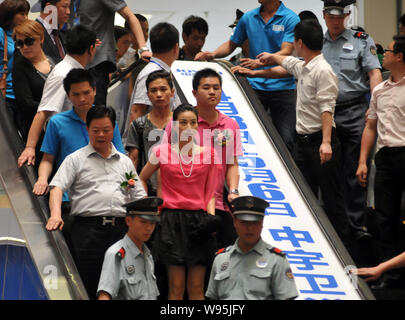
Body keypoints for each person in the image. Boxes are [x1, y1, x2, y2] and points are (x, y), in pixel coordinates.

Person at [232, 19, 351, 246]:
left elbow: (327, 109)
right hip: (303, 143)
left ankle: (343, 250)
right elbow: (285, 62)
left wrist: (325, 143)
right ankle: (311, 242)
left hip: (321, 142)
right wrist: (260, 65)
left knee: (331, 200)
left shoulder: (322, 70)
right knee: (304, 195)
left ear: (299, 42)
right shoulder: (305, 65)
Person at [46, 105, 146, 299]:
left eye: (106, 130)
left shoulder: (124, 162)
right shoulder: (75, 159)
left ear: (113, 128)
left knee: (124, 286)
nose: (101, 135)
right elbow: (57, 187)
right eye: (96, 130)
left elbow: (139, 197)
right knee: (90, 285)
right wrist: (56, 215)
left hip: (121, 231)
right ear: (87, 129)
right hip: (88, 232)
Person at [32, 69, 125, 248]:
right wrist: (42, 179)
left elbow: (121, 160)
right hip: (71, 202)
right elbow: (47, 158)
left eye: (86, 93)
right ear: (68, 95)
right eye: (76, 94)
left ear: (95, 91)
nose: (82, 98)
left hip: (106, 202)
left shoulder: (107, 123)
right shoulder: (57, 123)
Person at [195, 0, 300, 153]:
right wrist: (213, 53)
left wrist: (260, 62)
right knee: (251, 139)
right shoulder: (248, 18)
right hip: (254, 87)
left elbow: (286, 51)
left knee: (286, 140)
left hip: (283, 87)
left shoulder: (290, 18)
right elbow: (231, 44)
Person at [139, 104, 220, 300]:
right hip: (170, 220)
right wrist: (150, 208)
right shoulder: (162, 152)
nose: (189, 127)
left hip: (199, 220)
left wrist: (211, 218)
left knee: (197, 287)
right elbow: (141, 178)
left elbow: (210, 192)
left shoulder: (209, 154)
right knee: (175, 287)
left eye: (193, 122)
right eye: (183, 123)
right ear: (174, 126)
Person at [321, 0, 382, 242]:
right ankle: (332, 225)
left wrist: (374, 105)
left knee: (358, 169)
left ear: (346, 15)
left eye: (341, 16)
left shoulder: (360, 39)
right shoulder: (316, 42)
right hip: (327, 115)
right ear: (324, 15)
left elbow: (374, 72)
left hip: (356, 111)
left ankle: (356, 225)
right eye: (332, 16)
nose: (337, 21)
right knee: (329, 172)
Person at [164, 68, 243, 249]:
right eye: (206, 87)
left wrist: (234, 190)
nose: (212, 92)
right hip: (182, 206)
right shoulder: (178, 124)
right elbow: (164, 161)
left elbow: (232, 164)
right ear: (194, 93)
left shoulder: (230, 125)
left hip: (217, 205)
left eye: (216, 87)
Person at [355, 35, 405, 289]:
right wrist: (363, 161)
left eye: (389, 51)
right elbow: (370, 127)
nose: (383, 53)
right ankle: (389, 276)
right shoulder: (379, 90)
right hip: (385, 158)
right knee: (385, 218)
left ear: (400, 57)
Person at [17, 24, 97, 168]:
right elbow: (43, 112)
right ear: (92, 49)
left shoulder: (70, 69)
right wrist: (29, 148)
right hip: (61, 146)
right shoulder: (63, 73)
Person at [206, 195, 299, 300]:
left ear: (262, 223)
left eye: (255, 222)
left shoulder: (276, 260)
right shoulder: (220, 259)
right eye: (244, 222)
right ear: (235, 222)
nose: (250, 228)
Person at [78, 0, 151, 105]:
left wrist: (143, 48)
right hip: (77, 63)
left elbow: (130, 16)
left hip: (97, 64)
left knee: (96, 113)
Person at [123, 22, 181, 141]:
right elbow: (136, 112)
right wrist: (137, 151)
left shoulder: (162, 70)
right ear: (176, 48)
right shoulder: (151, 73)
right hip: (146, 148)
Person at [97, 197, 161, 300]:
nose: (149, 228)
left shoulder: (147, 254)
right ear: (128, 221)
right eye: (143, 222)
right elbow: (104, 295)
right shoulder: (116, 254)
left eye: (152, 223)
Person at [126, 70, 174, 196]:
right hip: (146, 191)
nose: (159, 94)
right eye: (153, 90)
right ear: (147, 95)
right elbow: (133, 161)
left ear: (172, 92)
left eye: (163, 89)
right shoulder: (138, 125)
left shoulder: (182, 124)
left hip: (176, 192)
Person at [12, 19, 55, 142]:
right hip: (38, 131)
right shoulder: (19, 67)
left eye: (29, 41)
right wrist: (55, 108)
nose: (25, 47)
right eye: (20, 44)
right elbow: (26, 103)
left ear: (41, 39)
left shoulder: (54, 60)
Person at [0, 0, 30, 132]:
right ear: (10, 14)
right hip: (6, 94)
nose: (25, 18)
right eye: (22, 14)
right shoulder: (1, 33)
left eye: (26, 14)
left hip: (21, 93)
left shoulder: (21, 34)